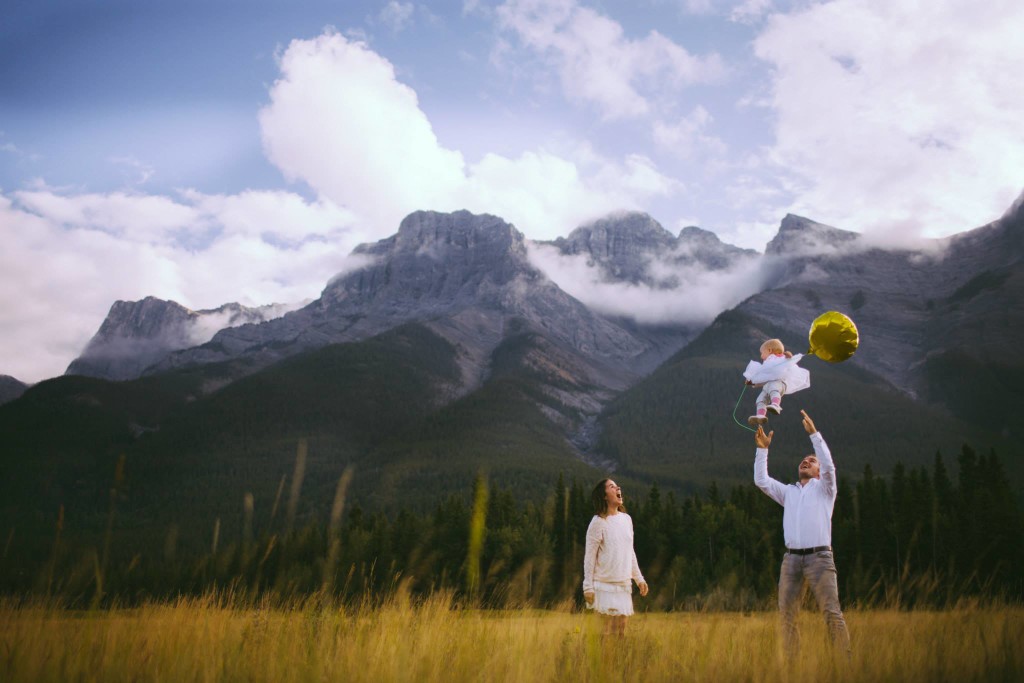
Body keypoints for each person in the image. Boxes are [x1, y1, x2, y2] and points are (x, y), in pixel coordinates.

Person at [754, 410, 851, 655]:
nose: (806, 461)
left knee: (830, 612)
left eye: (811, 461)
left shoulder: (826, 490)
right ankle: (792, 670)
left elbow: (829, 466)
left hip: (820, 557)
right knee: (787, 616)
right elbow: (762, 481)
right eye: (804, 460)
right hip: (791, 560)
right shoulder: (789, 492)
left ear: (818, 471)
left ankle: (844, 665)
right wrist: (763, 450)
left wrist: (814, 436)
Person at [582, 479, 649, 635]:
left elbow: (629, 552)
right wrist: (588, 587)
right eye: (612, 487)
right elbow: (589, 557)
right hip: (603, 585)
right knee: (604, 634)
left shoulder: (626, 520)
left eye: (617, 486)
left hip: (623, 585)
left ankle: (617, 660)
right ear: (604, 496)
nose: (618, 488)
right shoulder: (598, 522)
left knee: (620, 633)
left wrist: (639, 579)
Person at [743, 338, 810, 426]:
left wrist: (788, 356)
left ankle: (776, 404)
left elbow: (788, 360)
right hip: (768, 386)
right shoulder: (767, 365)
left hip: (779, 384)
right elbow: (764, 378)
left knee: (773, 388)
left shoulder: (778, 359)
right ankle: (760, 415)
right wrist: (752, 382)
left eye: (762, 353)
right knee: (760, 399)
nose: (761, 356)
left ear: (770, 350)